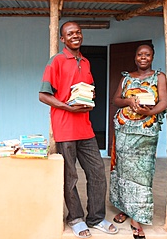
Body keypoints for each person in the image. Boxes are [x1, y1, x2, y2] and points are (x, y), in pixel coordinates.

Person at [39, 21, 118, 238]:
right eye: (70, 33)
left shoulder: (86, 61)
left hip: (86, 128)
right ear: (63, 39)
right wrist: (68, 107)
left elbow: (88, 90)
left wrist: (88, 98)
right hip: (64, 128)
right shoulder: (56, 61)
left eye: (78, 32)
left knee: (97, 173)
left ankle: (96, 218)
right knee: (70, 176)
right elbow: (43, 95)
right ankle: (75, 218)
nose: (75, 35)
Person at [109, 43, 167, 239]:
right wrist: (129, 101)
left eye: (147, 54)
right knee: (124, 172)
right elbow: (116, 99)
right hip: (124, 130)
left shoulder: (159, 77)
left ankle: (137, 217)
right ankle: (125, 208)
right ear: (135, 58)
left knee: (142, 175)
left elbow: (164, 102)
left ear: (152, 57)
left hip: (146, 133)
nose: (143, 57)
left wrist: (148, 111)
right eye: (140, 55)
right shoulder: (127, 77)